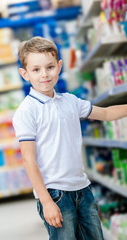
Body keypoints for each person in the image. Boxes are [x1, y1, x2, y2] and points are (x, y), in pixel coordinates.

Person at [12, 36, 127, 240]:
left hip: (82, 187)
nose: (45, 74)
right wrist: (46, 202)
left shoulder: (71, 102)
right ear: (25, 74)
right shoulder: (27, 111)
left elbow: (107, 114)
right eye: (36, 70)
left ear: (59, 66)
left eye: (50, 67)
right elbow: (29, 160)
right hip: (55, 194)